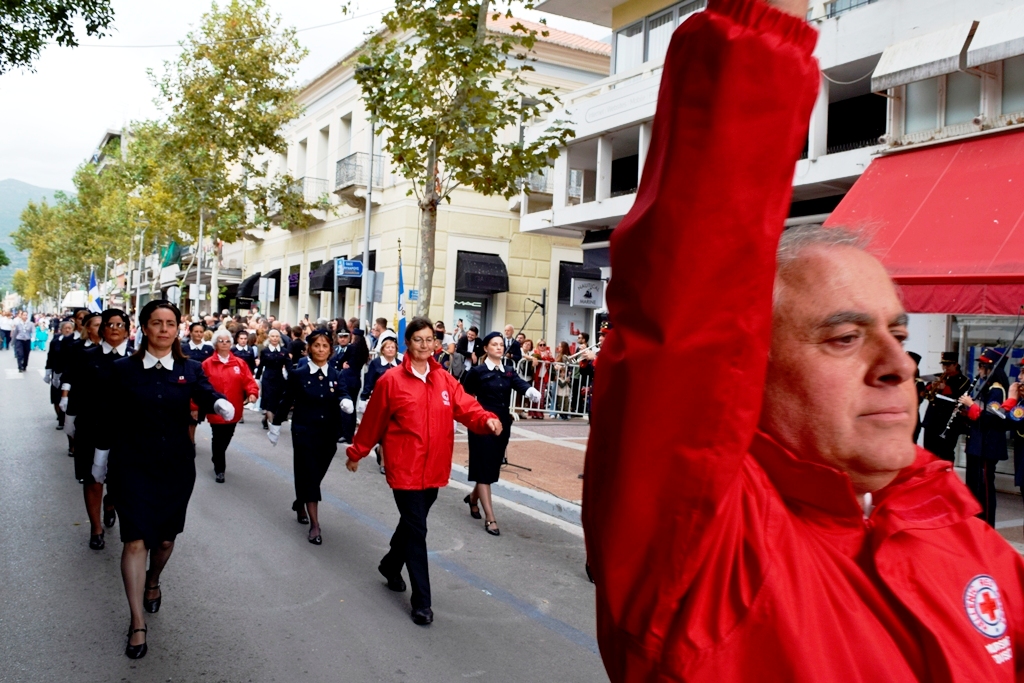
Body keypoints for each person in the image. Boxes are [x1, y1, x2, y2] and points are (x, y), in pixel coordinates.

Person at [582, 1, 1024, 680]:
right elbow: (685, 303)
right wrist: (760, 27)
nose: (897, 365)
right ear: (745, 375)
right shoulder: (708, 556)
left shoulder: (961, 529)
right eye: (845, 337)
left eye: (898, 332)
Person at [92, 300, 233, 659]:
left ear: (178, 329)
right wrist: (100, 457)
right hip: (131, 466)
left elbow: (204, 392)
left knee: (166, 540)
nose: (164, 329)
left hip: (174, 467)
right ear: (144, 328)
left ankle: (154, 580)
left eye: (171, 323)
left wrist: (218, 404)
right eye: (157, 322)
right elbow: (108, 415)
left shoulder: (191, 368)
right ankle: (137, 621)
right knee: (135, 540)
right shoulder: (124, 369)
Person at [345, 317, 502, 626]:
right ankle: (422, 603)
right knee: (418, 531)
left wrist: (486, 420)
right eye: (418, 339)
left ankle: (390, 565)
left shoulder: (444, 380)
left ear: (435, 343)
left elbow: (466, 406)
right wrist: (356, 452)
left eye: (429, 339)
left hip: (433, 470)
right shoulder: (390, 381)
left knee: (410, 524)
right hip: (404, 469)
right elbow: (374, 421)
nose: (424, 345)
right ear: (408, 343)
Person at [267, 329, 354, 544]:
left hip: (327, 434)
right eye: (317, 346)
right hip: (304, 432)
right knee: (309, 474)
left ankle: (300, 502)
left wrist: (345, 400)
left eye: (325, 346)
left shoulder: (335, 374)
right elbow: (286, 400)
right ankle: (315, 526)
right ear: (309, 349)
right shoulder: (299, 373)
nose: (321, 350)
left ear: (331, 350)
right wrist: (276, 424)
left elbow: (342, 392)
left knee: (315, 475)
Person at [461, 332, 541, 535]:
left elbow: (519, 384)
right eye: (494, 344)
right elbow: (464, 396)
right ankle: (490, 518)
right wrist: (474, 415)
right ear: (486, 348)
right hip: (482, 423)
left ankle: (473, 498)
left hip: (502, 424)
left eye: (500, 344)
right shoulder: (477, 372)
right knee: (484, 468)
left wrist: (530, 391)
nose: (498, 347)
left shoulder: (508, 370)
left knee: (492, 466)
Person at [62, 309, 129, 549]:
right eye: (109, 325)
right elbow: (78, 390)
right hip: (91, 427)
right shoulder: (87, 356)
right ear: (101, 331)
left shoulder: (136, 360)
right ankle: (96, 527)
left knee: (117, 480)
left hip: (124, 432)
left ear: (128, 331)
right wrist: (70, 415)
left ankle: (110, 503)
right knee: (92, 478)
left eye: (120, 325)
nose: (114, 328)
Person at [957, 348, 1009, 527]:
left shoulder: (997, 390)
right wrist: (964, 412)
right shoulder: (985, 388)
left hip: (987, 446)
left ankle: (987, 525)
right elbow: (977, 416)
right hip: (977, 445)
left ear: (991, 368)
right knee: (974, 487)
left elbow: (991, 419)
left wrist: (971, 406)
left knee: (984, 489)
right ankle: (975, 524)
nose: (978, 370)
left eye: (982, 366)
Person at [201, 328, 259, 483]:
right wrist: (195, 406)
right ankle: (220, 469)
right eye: (221, 341)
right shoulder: (207, 364)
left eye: (227, 341)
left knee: (227, 436)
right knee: (218, 437)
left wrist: (252, 392)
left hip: (234, 407)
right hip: (215, 408)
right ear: (215, 344)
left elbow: (248, 380)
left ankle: (217, 455)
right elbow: (199, 385)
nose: (224, 344)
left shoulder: (239, 363)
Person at [359, 333, 401, 474]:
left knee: (392, 432)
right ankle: (384, 462)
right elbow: (369, 382)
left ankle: (382, 452)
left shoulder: (400, 365)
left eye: (393, 347)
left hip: (396, 404)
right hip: (380, 402)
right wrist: (364, 399)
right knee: (383, 433)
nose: (390, 349)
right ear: (382, 350)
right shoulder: (376, 364)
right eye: (387, 347)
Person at [921, 351, 970, 461]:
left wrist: (945, 389)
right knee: (929, 452)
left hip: (948, 423)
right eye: (943, 365)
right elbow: (925, 393)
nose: (945, 368)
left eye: (948, 365)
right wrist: (931, 387)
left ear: (955, 364)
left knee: (945, 453)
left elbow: (959, 397)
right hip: (932, 421)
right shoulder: (937, 376)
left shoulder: (964, 380)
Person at [335, 328, 369, 444]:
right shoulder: (364, 350)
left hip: (347, 379)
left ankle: (345, 434)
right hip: (356, 380)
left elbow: (340, 360)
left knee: (345, 408)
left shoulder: (351, 347)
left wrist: (343, 363)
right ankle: (350, 434)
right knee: (352, 407)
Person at [256, 328, 290, 431]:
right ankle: (273, 425)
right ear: (269, 338)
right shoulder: (265, 351)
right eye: (272, 336)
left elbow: (289, 366)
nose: (275, 338)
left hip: (279, 379)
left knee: (276, 402)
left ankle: (265, 419)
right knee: (269, 401)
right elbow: (261, 366)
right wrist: (257, 379)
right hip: (268, 379)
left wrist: (293, 376)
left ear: (279, 338)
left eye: (277, 336)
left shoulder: (284, 351)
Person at [45, 319, 76, 431]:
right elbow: (51, 356)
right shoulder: (55, 341)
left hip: (69, 373)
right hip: (57, 372)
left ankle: (67, 418)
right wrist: (48, 371)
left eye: (70, 328)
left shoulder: (76, 342)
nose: (67, 330)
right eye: (65, 328)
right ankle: (60, 419)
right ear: (61, 329)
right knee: (56, 397)